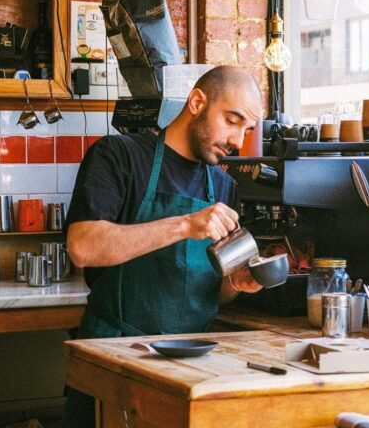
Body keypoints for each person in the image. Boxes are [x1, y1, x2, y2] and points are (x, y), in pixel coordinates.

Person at [63, 65, 264, 427]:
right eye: (232, 121)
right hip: (118, 358)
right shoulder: (118, 156)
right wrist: (186, 224)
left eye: (246, 129)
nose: (238, 141)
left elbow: (209, 293)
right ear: (197, 102)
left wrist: (235, 283)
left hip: (192, 366)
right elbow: (83, 247)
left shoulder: (222, 186)